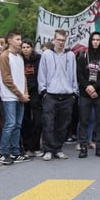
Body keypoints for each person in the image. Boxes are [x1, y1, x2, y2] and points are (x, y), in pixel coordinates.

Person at [38, 29, 78, 161]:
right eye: (58, 39)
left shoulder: (70, 55)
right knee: (48, 123)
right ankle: (48, 149)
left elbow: (74, 74)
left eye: (63, 40)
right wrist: (43, 91)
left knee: (63, 124)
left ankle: (58, 148)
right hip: (51, 94)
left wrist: (74, 92)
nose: (61, 42)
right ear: (54, 40)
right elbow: (42, 73)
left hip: (67, 95)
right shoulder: (46, 55)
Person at [0, 31, 31, 165]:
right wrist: (20, 94)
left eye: (20, 39)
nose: (20, 42)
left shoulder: (20, 57)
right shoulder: (5, 56)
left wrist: (25, 93)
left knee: (17, 125)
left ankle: (16, 152)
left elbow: (23, 77)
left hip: (20, 96)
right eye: (17, 39)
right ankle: (3, 153)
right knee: (10, 124)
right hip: (10, 96)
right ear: (10, 41)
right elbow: (7, 79)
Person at [76, 31, 100, 158]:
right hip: (85, 94)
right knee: (84, 121)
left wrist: (95, 87)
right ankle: (83, 147)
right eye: (93, 39)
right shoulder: (83, 57)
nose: (95, 42)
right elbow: (79, 75)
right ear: (90, 41)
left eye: (98, 40)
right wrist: (88, 87)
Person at [20, 39, 43, 157]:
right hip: (23, 92)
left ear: (32, 48)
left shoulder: (39, 58)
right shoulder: (19, 59)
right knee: (25, 120)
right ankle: (27, 146)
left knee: (38, 121)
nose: (25, 49)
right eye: (23, 47)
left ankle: (36, 146)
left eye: (28, 47)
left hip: (36, 92)